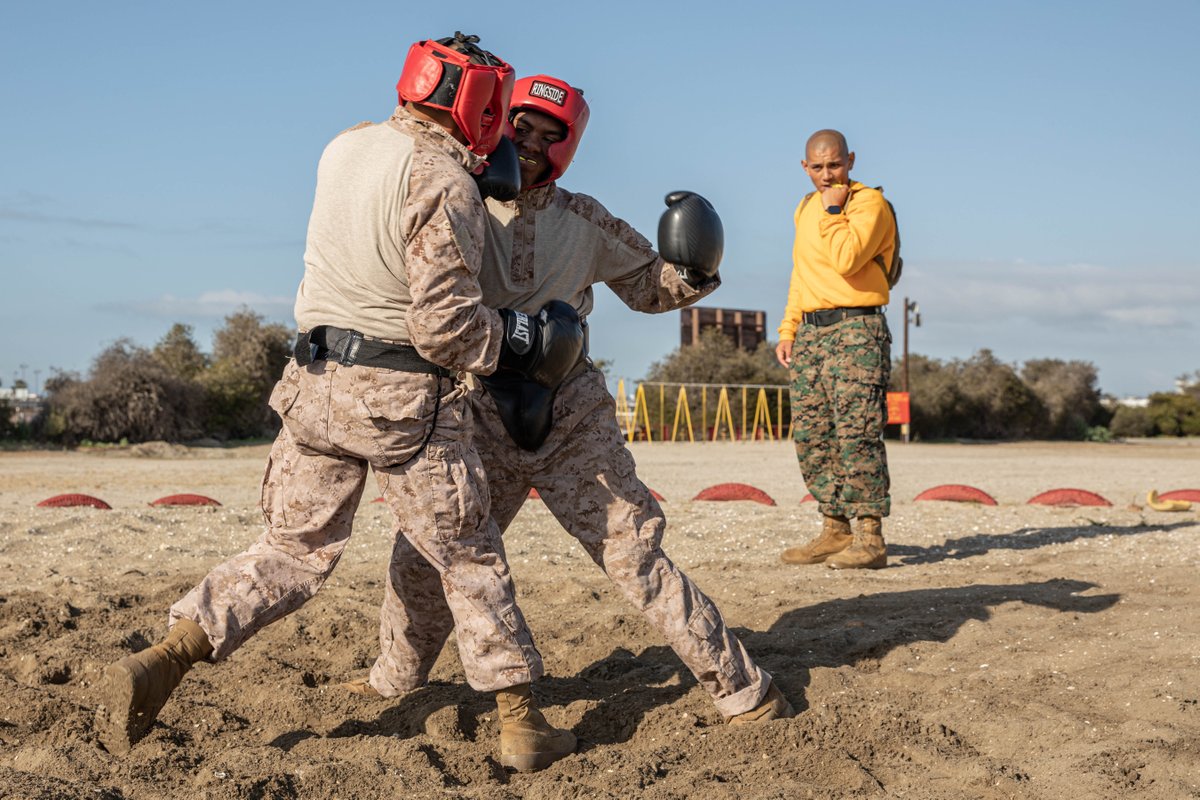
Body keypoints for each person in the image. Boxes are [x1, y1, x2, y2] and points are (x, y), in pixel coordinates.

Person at [94, 34, 585, 773]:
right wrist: (518, 339)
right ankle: (521, 727)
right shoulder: (442, 178)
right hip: (399, 398)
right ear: (478, 101)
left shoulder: (346, 147)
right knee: (470, 556)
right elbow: (443, 323)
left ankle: (170, 653)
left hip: (312, 385)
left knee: (290, 552)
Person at [346, 74, 795, 726]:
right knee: (421, 560)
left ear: (567, 145)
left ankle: (743, 690)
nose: (529, 144)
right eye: (519, 128)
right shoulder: (455, 199)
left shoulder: (583, 219)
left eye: (546, 135)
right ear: (496, 123)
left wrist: (696, 266)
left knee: (634, 551)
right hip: (476, 413)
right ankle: (394, 679)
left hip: (570, 412)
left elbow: (648, 286)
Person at [775, 129, 896, 570]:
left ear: (851, 160)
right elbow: (801, 272)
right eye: (818, 167)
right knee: (812, 435)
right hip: (811, 332)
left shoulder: (869, 205)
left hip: (856, 330)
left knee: (856, 432)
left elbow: (846, 257)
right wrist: (789, 327)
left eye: (835, 165)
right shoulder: (805, 207)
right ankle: (835, 529)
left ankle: (870, 537)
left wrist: (832, 210)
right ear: (804, 167)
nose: (827, 176)